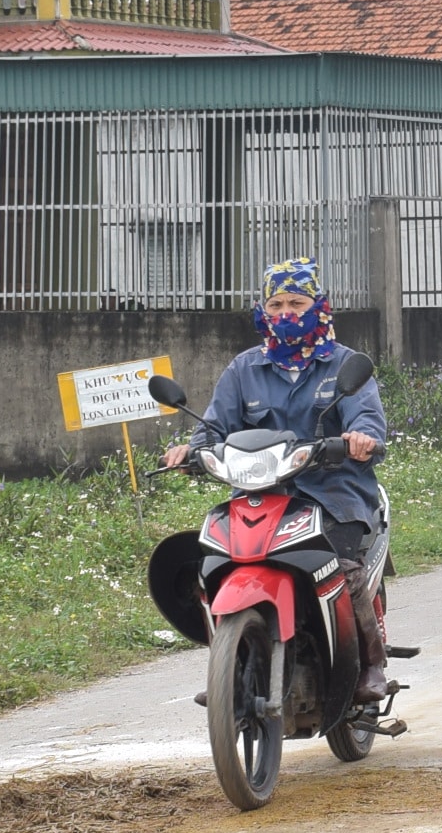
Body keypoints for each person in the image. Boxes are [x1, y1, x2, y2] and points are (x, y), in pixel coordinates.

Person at [163, 257, 395, 703]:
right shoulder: (243, 369)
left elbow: (367, 417)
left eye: (296, 301)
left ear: (318, 305)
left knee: (341, 566)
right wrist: (189, 451)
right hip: (258, 495)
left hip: (334, 493)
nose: (286, 313)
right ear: (262, 310)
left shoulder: (345, 365)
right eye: (276, 304)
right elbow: (212, 428)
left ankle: (370, 663)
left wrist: (361, 438)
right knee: (213, 565)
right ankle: (228, 663)